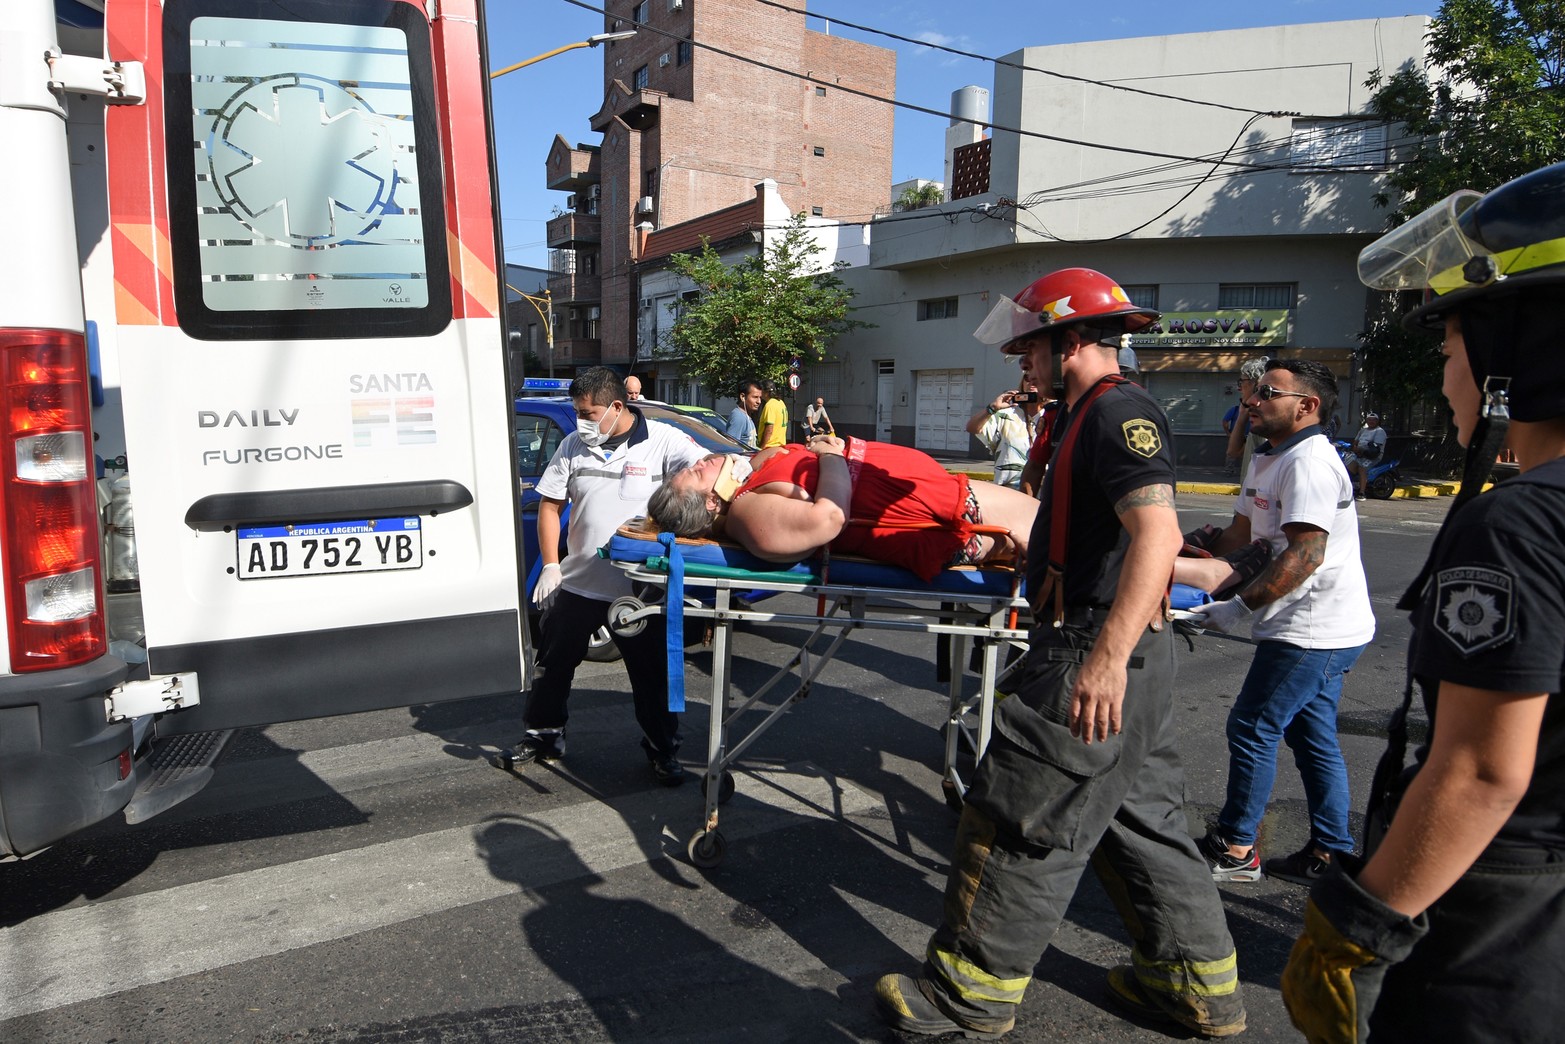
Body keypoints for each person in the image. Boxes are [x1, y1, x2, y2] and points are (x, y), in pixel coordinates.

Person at [872, 266, 1246, 1039]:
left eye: (1031, 348)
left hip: (1095, 649)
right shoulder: (1081, 415)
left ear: (1070, 340)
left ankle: (964, 998)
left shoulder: (1116, 414)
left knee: (1019, 820)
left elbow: (1157, 537)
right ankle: (1192, 990)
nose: (1023, 363)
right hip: (1116, 648)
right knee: (1143, 826)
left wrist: (1102, 661)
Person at [1282, 162, 1565, 1043]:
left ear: (1514, 351)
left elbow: (1481, 771)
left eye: (1448, 350)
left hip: (1502, 939)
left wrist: (1352, 934)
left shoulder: (1519, 523)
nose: (1445, 380)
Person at [1187, 359, 1374, 887]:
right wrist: (1187, 558)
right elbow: (1241, 537)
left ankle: (1236, 847)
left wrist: (1236, 609)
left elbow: (1306, 553)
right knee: (1312, 736)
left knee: (1252, 725)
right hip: (1313, 625)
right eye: (1252, 392)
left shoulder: (1309, 462)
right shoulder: (1270, 457)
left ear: (1306, 406)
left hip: (1314, 629)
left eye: (1267, 393)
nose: (1251, 401)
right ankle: (1331, 853)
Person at [492, 367, 704, 786]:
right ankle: (544, 737)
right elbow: (550, 505)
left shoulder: (663, 441)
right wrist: (551, 564)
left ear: (616, 407)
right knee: (552, 666)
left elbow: (711, 472)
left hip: (640, 591)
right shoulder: (573, 445)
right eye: (578, 412)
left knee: (652, 677)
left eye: (588, 413)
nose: (582, 421)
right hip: (579, 583)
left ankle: (663, 749)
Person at [647, 435, 1037, 581]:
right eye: (695, 473)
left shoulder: (745, 487)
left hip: (940, 498)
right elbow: (828, 518)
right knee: (1057, 534)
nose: (700, 462)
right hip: (946, 517)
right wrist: (831, 455)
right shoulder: (747, 516)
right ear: (711, 501)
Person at [966, 377, 1045, 489]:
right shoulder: (1006, 415)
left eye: (1038, 378)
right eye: (1027, 378)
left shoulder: (1054, 416)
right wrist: (993, 408)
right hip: (1008, 492)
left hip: (1043, 492)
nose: (1032, 382)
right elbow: (972, 428)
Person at [1224, 357, 1269, 476]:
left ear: (1256, 384)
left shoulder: (1267, 420)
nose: (1239, 388)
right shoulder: (1250, 413)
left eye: (1242, 381)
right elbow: (1233, 452)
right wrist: (1242, 413)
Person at [1342, 411, 1387, 501]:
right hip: (1359, 454)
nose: (1371, 422)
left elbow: (1375, 449)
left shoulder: (1379, 431)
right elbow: (1355, 442)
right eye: (1369, 420)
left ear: (1377, 421)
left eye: (1373, 420)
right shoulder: (1363, 430)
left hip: (1373, 456)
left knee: (1362, 468)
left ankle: (1362, 493)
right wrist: (1355, 448)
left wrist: (1361, 450)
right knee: (1347, 467)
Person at [727, 379, 761, 451]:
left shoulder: (747, 416)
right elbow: (730, 447)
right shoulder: (738, 417)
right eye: (755, 397)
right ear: (743, 397)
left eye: (760, 397)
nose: (759, 401)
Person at [756, 379, 789, 449]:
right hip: (780, 446)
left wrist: (761, 447)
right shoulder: (781, 403)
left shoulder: (770, 405)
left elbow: (769, 429)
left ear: (765, 391)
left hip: (770, 446)